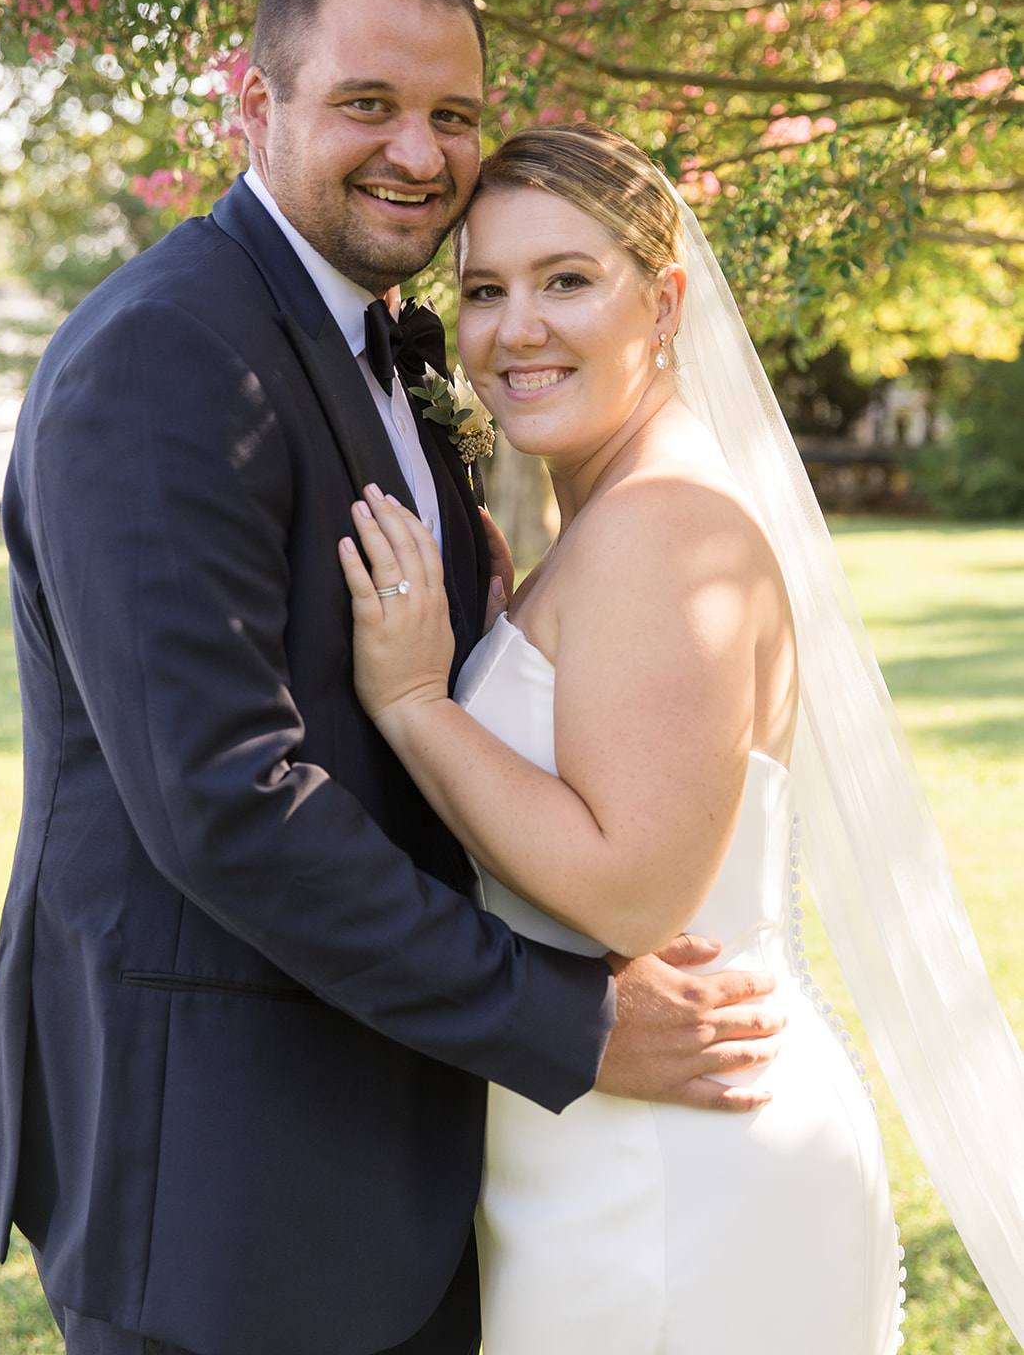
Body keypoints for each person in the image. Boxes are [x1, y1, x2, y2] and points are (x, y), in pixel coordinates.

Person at [0, 0, 787, 1355]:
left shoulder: (385, 345)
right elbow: (226, 800)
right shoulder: (170, 357)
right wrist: (567, 1022)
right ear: (253, 104)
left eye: (452, 115)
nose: (418, 152)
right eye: (367, 104)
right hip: (232, 1176)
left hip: (399, 1154)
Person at [339, 123, 1024, 1353]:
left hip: (677, 1175)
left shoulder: (666, 528)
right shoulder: (614, 520)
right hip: (606, 1153)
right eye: (484, 289)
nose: (513, 328)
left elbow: (629, 890)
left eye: (565, 280)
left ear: (661, 302)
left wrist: (415, 704)